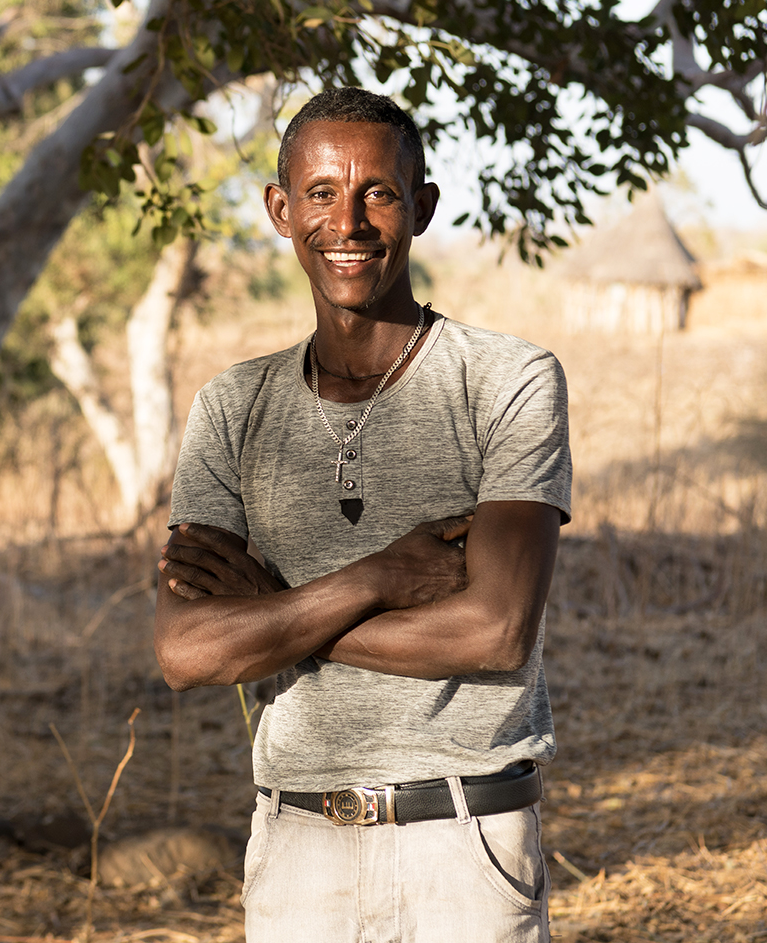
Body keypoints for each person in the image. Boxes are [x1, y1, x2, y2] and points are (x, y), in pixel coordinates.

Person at [154, 87, 572, 943]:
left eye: (378, 192)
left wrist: (275, 612)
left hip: (464, 842)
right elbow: (186, 651)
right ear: (281, 210)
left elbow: (496, 631)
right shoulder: (233, 406)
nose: (347, 222)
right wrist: (376, 579)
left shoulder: (509, 380)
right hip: (297, 847)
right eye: (320, 192)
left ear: (422, 207)